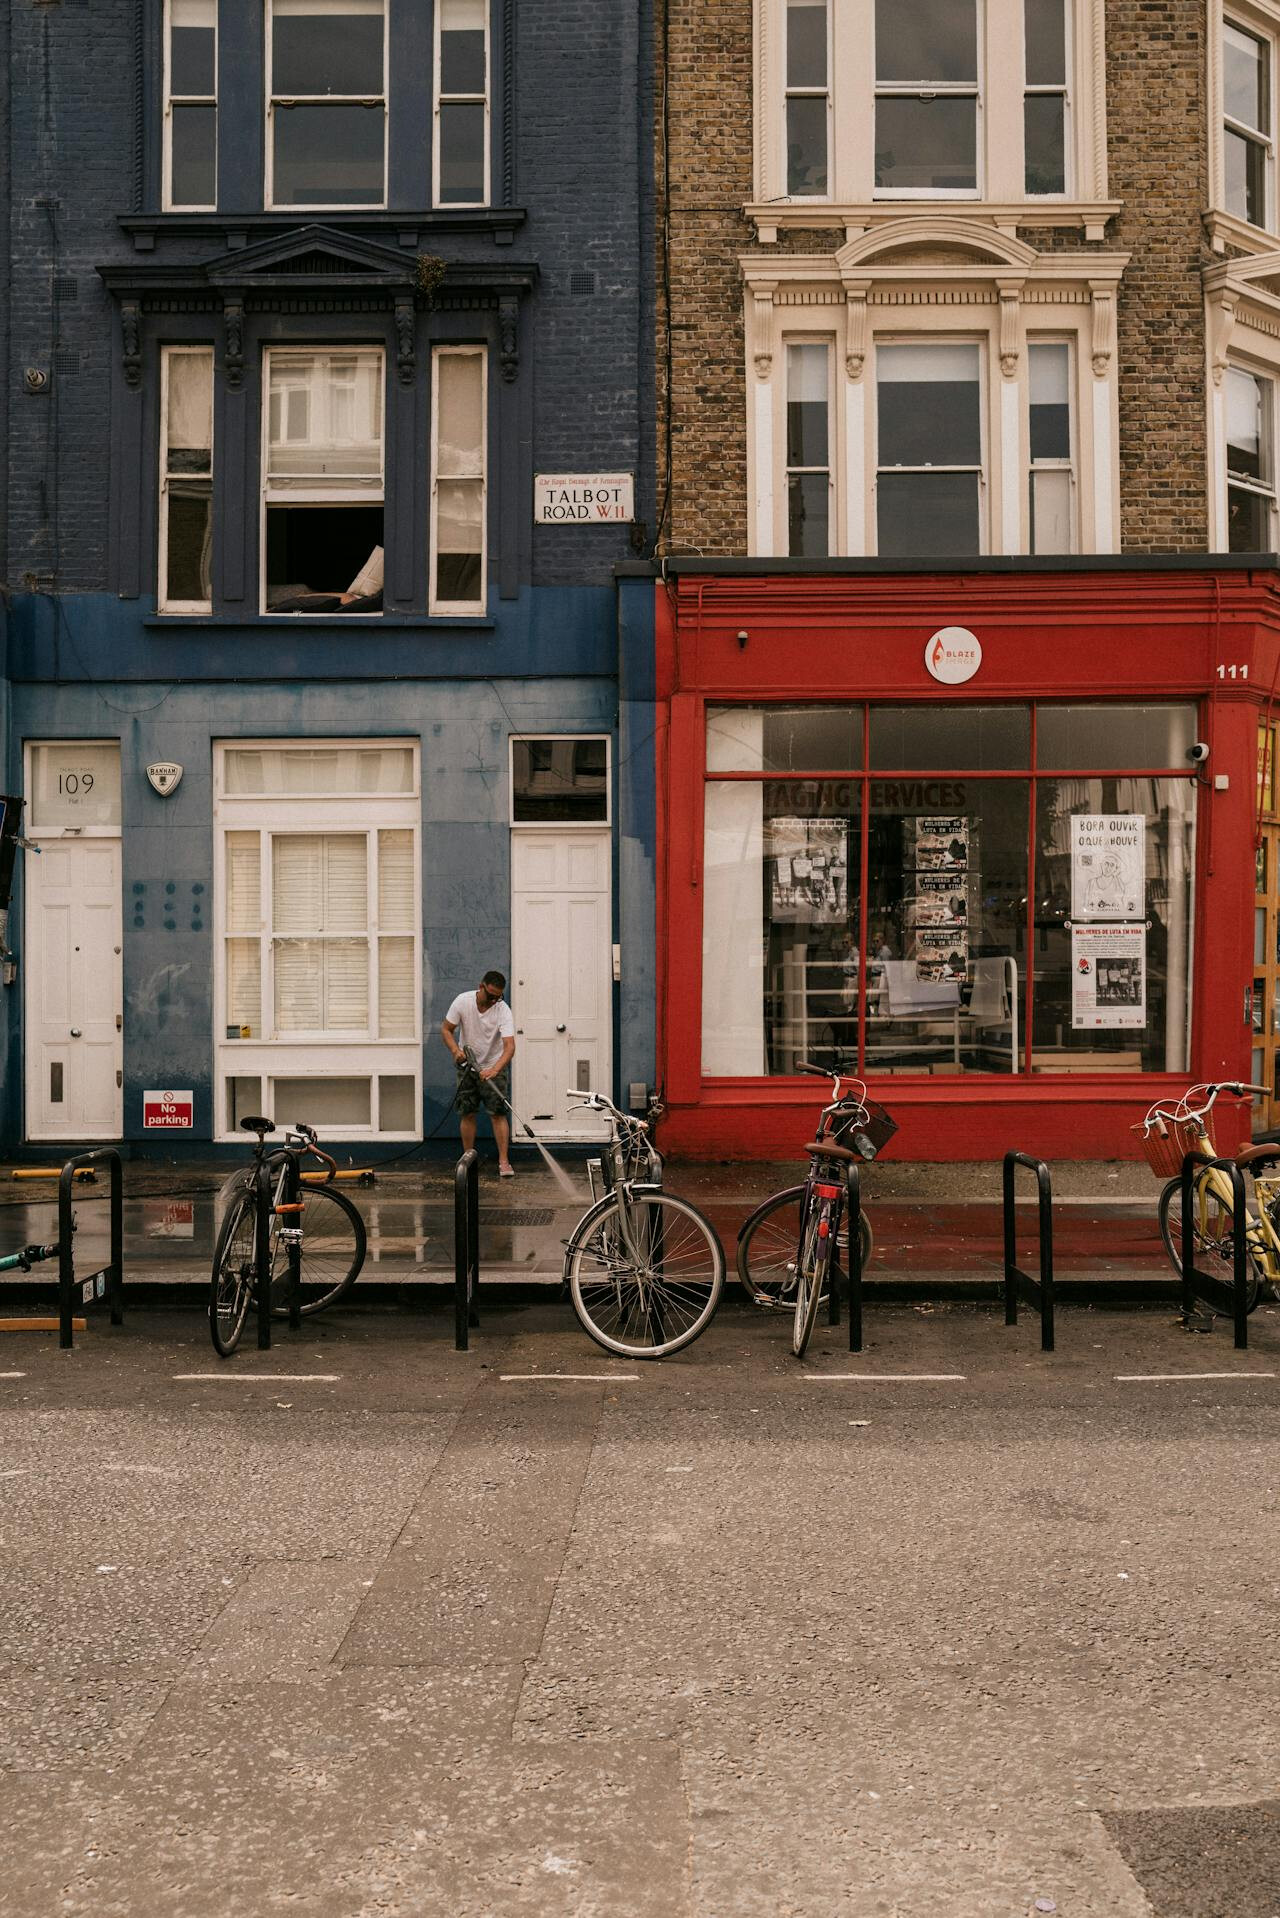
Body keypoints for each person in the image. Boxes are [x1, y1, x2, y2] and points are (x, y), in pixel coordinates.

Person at [440, 970, 517, 1176]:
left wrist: (495, 1069)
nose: (493, 1000)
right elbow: (446, 1029)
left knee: (498, 1114)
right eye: (490, 995)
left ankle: (504, 1161)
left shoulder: (503, 1010)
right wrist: (455, 1051)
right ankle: (468, 1159)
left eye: (497, 997)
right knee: (467, 1113)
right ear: (480, 986)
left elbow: (509, 1046)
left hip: (494, 1067)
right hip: (468, 1067)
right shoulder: (462, 1001)